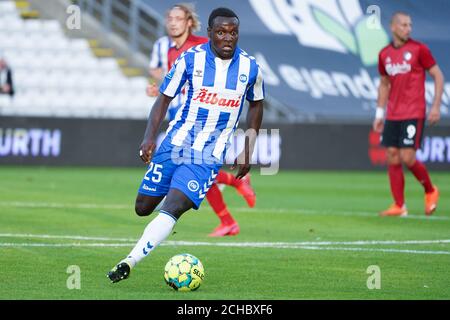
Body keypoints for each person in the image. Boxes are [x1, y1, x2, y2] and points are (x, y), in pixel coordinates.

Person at [107, 7, 264, 283]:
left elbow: (257, 105)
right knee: (143, 207)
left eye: (233, 32)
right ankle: (166, 209)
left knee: (174, 205)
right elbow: (164, 98)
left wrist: (248, 146)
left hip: (208, 154)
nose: (228, 38)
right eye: (221, 32)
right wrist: (148, 137)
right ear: (210, 34)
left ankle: (129, 261)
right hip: (175, 144)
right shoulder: (190, 59)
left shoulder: (250, 67)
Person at [147, 3, 256, 237]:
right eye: (170, 17)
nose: (172, 22)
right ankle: (228, 213)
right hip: (178, 117)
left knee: (197, 168)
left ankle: (229, 208)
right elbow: (166, 77)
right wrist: (157, 88)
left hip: (203, 121)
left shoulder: (202, 47)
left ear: (189, 22)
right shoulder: (163, 47)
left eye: (178, 18)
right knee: (193, 171)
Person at [373, 12, 444, 217]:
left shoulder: (419, 49)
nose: (408, 28)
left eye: (410, 25)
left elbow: (438, 75)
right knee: (392, 155)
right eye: (404, 25)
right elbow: (384, 84)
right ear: (393, 27)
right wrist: (379, 113)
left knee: (407, 155)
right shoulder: (384, 54)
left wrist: (436, 106)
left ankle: (430, 190)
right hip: (393, 113)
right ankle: (399, 205)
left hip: (414, 111)